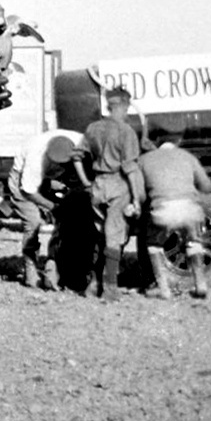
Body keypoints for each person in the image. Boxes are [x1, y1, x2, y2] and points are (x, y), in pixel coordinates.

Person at [71, 87, 145, 302]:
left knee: (101, 237)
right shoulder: (126, 131)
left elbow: (76, 157)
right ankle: (110, 289)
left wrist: (86, 182)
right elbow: (130, 168)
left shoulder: (93, 128)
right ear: (124, 106)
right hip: (117, 184)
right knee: (114, 238)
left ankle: (94, 285)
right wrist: (135, 199)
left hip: (97, 187)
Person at [138, 137, 211, 299]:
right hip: (189, 210)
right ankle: (201, 284)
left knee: (153, 244)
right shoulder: (187, 156)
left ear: (155, 143)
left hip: (162, 210)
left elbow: (140, 194)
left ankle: (163, 289)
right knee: (193, 242)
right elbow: (207, 187)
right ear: (177, 142)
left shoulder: (144, 160)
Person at [8, 129, 83, 290]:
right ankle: (31, 270)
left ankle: (61, 265)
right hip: (23, 180)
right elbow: (28, 190)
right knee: (33, 222)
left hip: (52, 177)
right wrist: (54, 208)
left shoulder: (80, 141)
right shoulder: (36, 158)